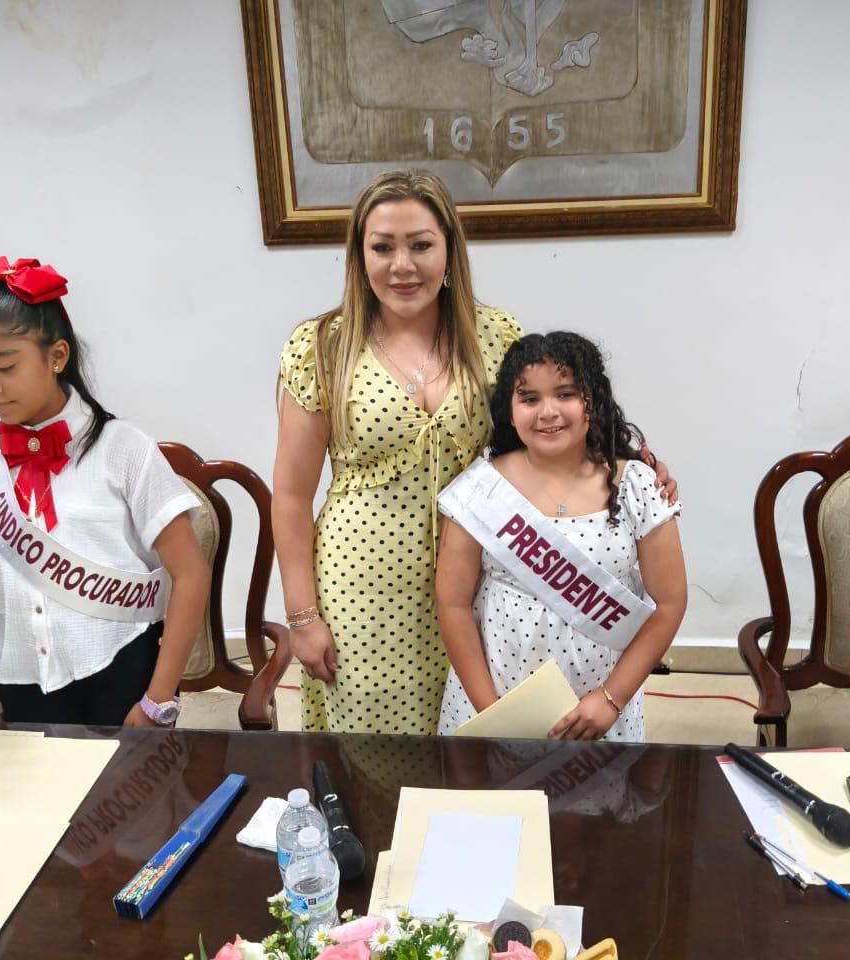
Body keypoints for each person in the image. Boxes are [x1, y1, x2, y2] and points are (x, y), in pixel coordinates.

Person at [274, 171, 678, 735]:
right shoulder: (322, 345)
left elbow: (545, 418)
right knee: (373, 738)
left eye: (420, 245)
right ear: (358, 254)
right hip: (363, 580)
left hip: (491, 580)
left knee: (483, 733)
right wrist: (302, 614)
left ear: (448, 250)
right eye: (383, 247)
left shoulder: (494, 335)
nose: (402, 265)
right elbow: (291, 494)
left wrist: (634, 463)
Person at [0, 257, 209, 727]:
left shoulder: (126, 450)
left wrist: (157, 699)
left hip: (119, 666)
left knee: (131, 797)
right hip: (22, 676)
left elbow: (189, 574)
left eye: (4, 366)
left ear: (57, 356)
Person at [434, 332, 687, 741]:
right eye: (530, 399)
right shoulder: (481, 489)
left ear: (593, 402)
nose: (548, 412)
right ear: (510, 411)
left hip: (601, 702)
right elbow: (452, 603)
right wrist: (494, 716)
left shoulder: (638, 485)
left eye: (566, 394)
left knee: (597, 802)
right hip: (493, 696)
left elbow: (671, 603)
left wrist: (610, 699)